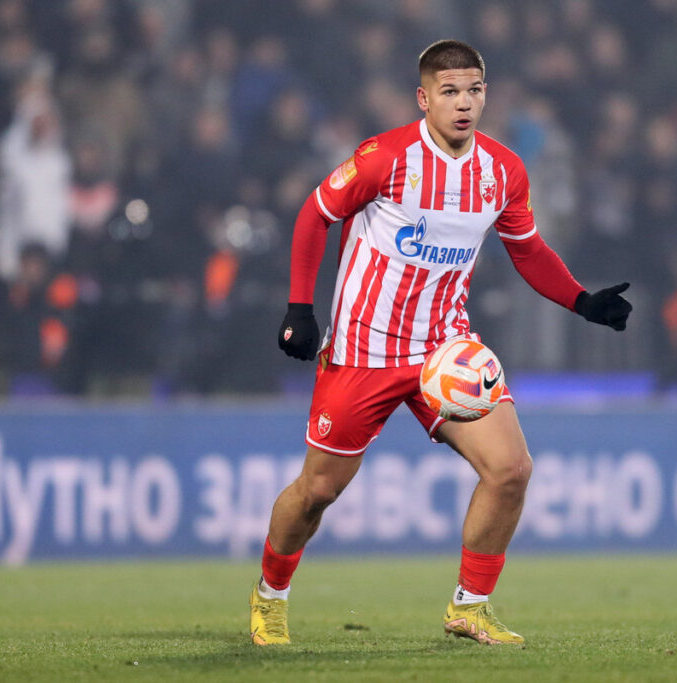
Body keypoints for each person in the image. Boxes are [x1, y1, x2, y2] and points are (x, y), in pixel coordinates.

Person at [249, 39, 632, 647]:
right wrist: (300, 305)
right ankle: (270, 596)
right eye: (450, 92)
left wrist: (582, 300)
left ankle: (470, 607)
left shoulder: (503, 170)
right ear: (423, 99)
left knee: (510, 469)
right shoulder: (385, 158)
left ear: (486, 95)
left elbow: (527, 249)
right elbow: (315, 214)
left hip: (443, 349)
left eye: (474, 91)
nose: (463, 104)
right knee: (317, 491)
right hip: (363, 348)